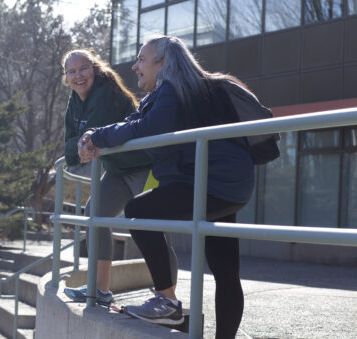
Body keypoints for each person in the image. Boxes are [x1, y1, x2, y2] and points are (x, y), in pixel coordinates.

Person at [78, 36, 255, 338]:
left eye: (141, 59)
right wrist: (95, 134)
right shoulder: (180, 91)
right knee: (226, 271)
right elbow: (134, 121)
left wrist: (97, 137)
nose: (135, 66)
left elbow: (148, 128)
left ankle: (167, 302)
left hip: (209, 182)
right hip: (228, 184)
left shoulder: (172, 89)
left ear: (163, 63)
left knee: (138, 210)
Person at [61, 49, 178, 306]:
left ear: (94, 70)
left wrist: (85, 144)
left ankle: (168, 298)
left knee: (156, 227)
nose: (78, 76)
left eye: (83, 69)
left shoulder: (105, 92)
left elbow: (96, 132)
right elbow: (69, 145)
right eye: (72, 72)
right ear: (66, 77)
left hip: (144, 166)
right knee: (96, 214)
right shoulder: (74, 100)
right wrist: (81, 147)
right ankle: (101, 290)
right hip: (116, 170)